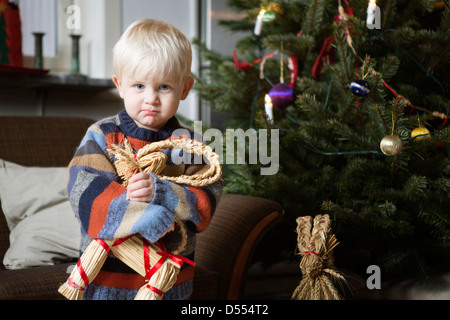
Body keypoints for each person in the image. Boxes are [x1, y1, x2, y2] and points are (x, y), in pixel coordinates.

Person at [67, 19, 223, 300]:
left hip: (169, 286)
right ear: (120, 86)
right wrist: (149, 218)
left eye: (164, 87)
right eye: (139, 85)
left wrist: (161, 192)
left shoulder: (191, 145)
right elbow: (85, 195)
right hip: (106, 282)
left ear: (185, 88)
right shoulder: (102, 136)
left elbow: (205, 204)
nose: (151, 98)